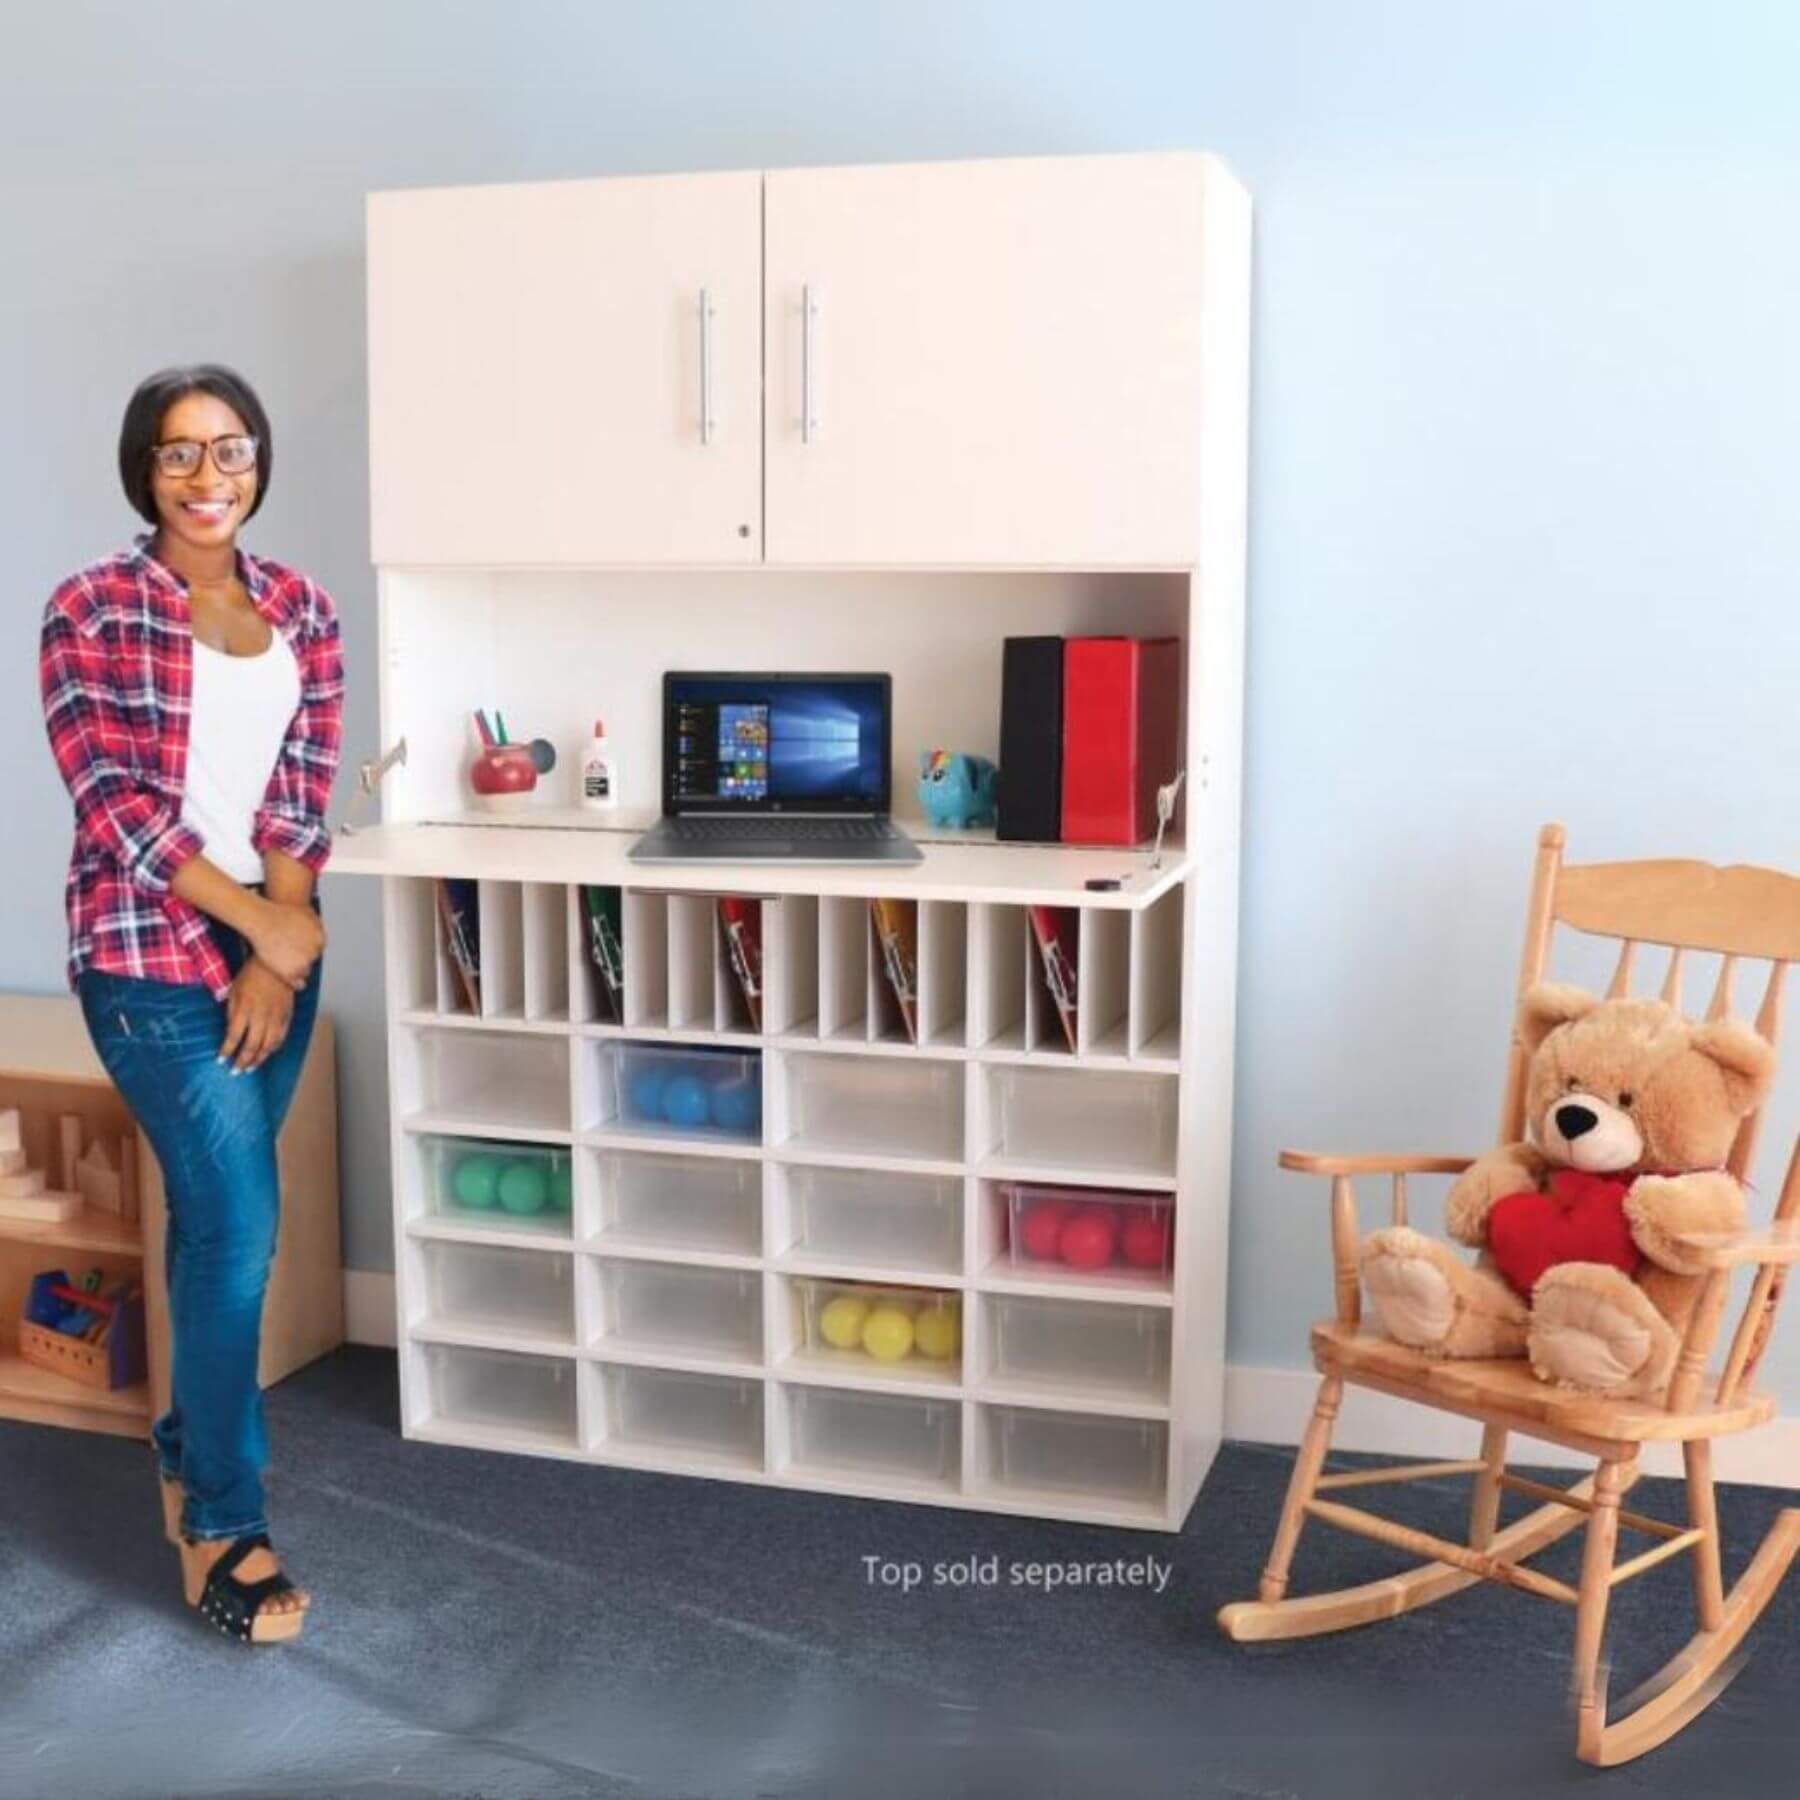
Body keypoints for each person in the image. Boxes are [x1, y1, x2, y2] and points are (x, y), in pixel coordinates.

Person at [39, 364, 344, 1645]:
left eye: (229, 449)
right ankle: (222, 1518)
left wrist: (281, 947)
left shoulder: (302, 605)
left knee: (215, 1227)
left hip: (274, 953)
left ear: (259, 457)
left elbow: (304, 779)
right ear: (142, 470)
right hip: (148, 957)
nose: (208, 477)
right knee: (235, 1233)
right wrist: (257, 924)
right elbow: (113, 802)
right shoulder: (92, 605)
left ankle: (182, 1444)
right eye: (178, 455)